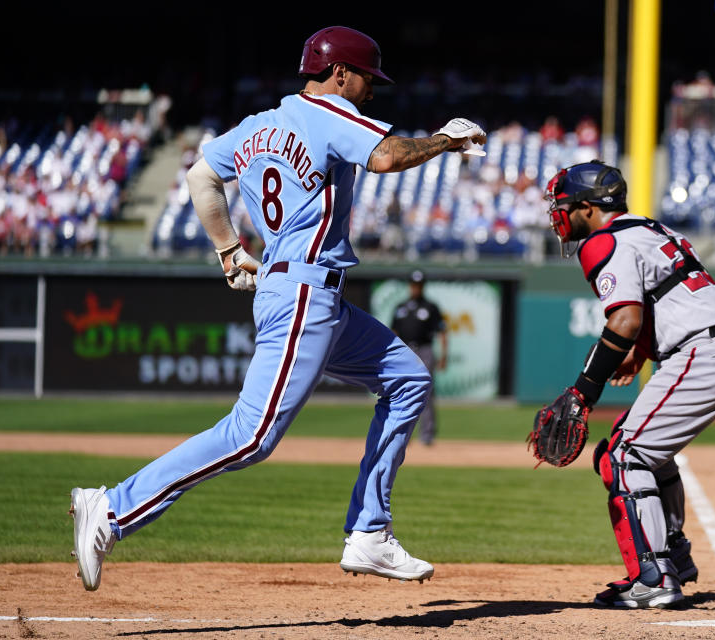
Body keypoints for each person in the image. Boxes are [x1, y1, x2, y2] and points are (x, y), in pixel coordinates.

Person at [69, 25, 487, 591]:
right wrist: (446, 140)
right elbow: (386, 156)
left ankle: (369, 531)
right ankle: (112, 508)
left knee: (409, 378)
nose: (372, 89)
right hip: (305, 295)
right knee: (251, 435)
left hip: (310, 294)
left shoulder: (258, 125)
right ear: (340, 74)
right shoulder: (333, 113)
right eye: (368, 77)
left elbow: (200, 176)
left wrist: (228, 250)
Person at [542, 161, 715, 609]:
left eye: (566, 205)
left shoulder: (602, 241)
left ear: (588, 208)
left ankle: (653, 576)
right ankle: (674, 559)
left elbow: (626, 319)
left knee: (623, 458)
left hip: (704, 353)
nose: (560, 214)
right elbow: (672, 296)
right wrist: (641, 352)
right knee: (646, 452)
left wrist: (582, 392)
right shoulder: (650, 228)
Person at [391, 270, 448, 445]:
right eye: (414, 284)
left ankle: (427, 434)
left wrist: (444, 355)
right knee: (400, 392)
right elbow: (393, 332)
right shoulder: (400, 307)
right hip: (405, 350)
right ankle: (400, 434)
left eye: (419, 285)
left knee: (426, 392)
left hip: (425, 349)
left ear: (423, 286)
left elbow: (442, 331)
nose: (416, 288)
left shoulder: (431, 307)